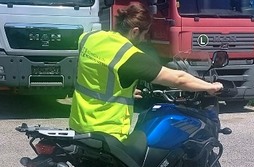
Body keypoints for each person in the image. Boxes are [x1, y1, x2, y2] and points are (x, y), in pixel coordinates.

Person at [69, 2, 223, 141]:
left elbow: (97, 73)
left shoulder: (89, 38)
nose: (143, 39)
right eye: (144, 34)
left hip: (78, 125)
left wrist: (124, 90)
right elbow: (178, 78)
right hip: (107, 132)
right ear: (135, 31)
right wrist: (210, 87)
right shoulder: (129, 56)